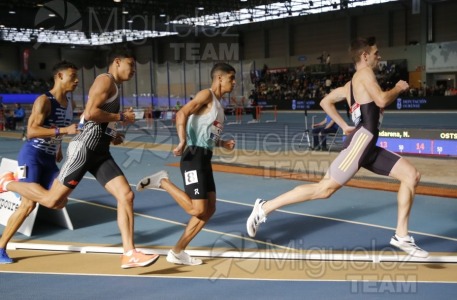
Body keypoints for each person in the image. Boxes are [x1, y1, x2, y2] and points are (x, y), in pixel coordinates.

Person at [246, 36, 429, 258]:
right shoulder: (364, 74)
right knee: (324, 189)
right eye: (376, 53)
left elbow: (325, 101)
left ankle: (401, 235)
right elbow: (381, 100)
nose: (379, 56)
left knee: (411, 175)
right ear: (364, 56)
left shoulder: (349, 85)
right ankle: (264, 207)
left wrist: (344, 126)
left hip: (367, 143)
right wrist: (398, 88)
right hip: (362, 140)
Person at [0, 48, 160, 268]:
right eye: (131, 65)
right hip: (81, 150)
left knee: (126, 195)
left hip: (99, 152)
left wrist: (112, 134)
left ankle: (129, 253)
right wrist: (121, 117)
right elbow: (92, 112)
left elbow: (87, 121)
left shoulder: (94, 94)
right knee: (48, 201)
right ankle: (7, 183)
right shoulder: (104, 82)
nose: (133, 70)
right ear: (117, 62)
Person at [136, 63, 236, 265]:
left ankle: (178, 251)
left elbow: (208, 134)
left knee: (209, 209)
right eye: (231, 78)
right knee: (198, 210)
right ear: (219, 78)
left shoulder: (219, 107)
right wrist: (181, 139)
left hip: (205, 157)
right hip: (193, 156)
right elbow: (182, 113)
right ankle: (163, 181)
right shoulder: (206, 95)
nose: (233, 82)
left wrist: (222, 143)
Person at [0, 61, 80, 264]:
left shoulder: (71, 104)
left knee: (59, 201)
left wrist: (59, 148)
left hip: (49, 158)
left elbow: (61, 126)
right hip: (32, 156)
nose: (77, 80)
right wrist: (62, 132)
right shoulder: (44, 100)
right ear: (59, 76)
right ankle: (1, 247)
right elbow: (32, 131)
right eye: (72, 76)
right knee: (28, 205)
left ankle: (8, 182)